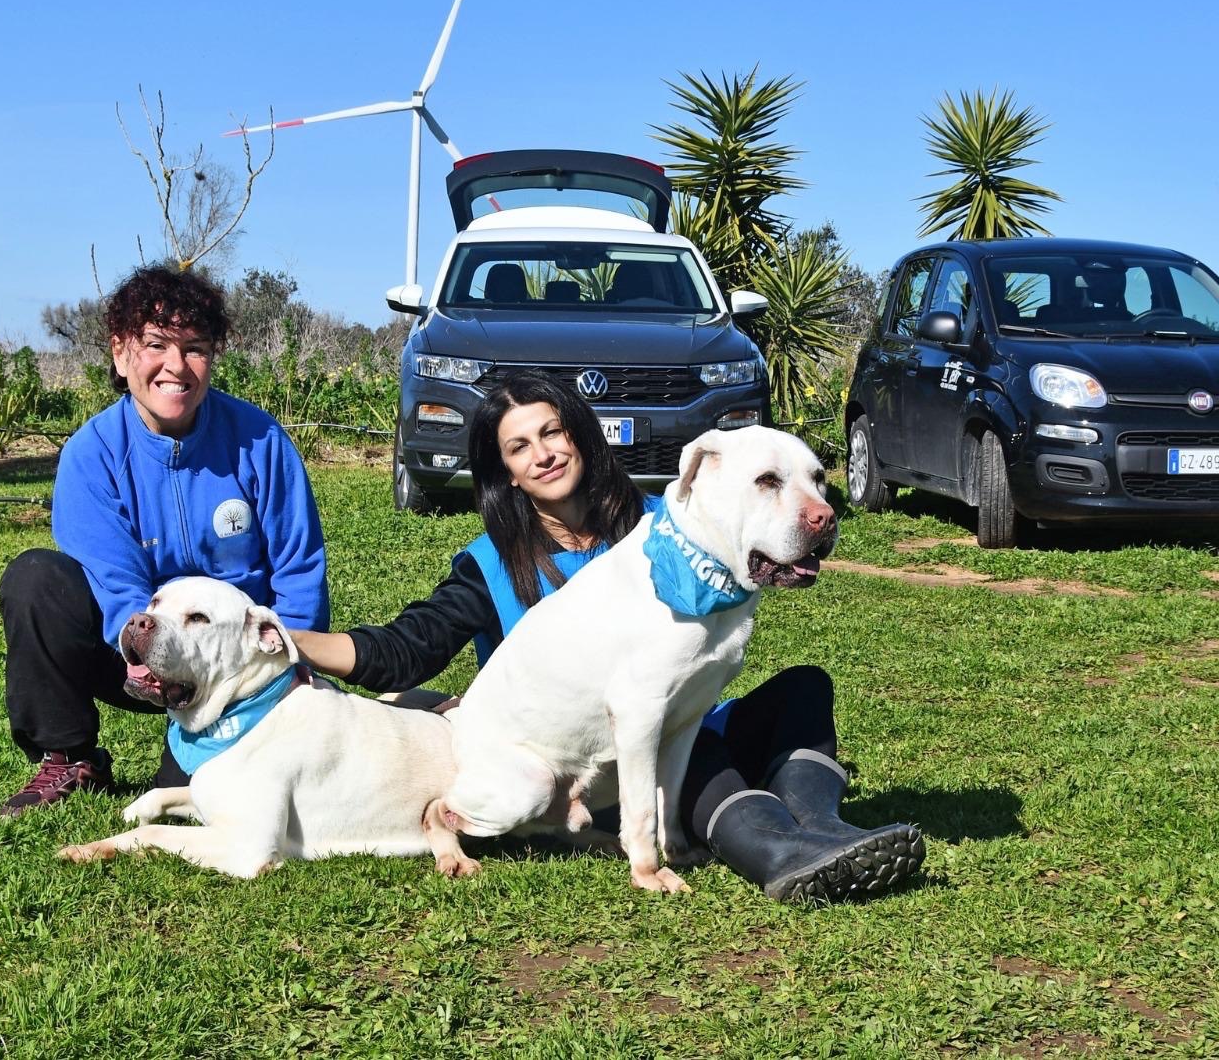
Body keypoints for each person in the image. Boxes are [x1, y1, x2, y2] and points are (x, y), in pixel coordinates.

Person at [292, 371, 924, 903]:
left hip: (684, 723)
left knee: (804, 689)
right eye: (519, 447)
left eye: (552, 433)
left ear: (581, 436)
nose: (543, 454)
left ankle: (824, 827)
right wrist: (287, 642)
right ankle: (782, 853)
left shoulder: (665, 525)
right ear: (506, 472)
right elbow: (407, 648)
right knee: (693, 752)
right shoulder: (490, 566)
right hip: (595, 762)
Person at [0, 265, 329, 817]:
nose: (176, 365)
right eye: (156, 344)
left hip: (235, 663)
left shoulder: (261, 440)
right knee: (36, 578)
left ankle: (227, 741)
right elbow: (116, 584)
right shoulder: (91, 454)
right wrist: (150, 661)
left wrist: (292, 670)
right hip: (136, 656)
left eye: (194, 348)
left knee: (193, 802)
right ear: (120, 352)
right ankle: (69, 756)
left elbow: (298, 568)